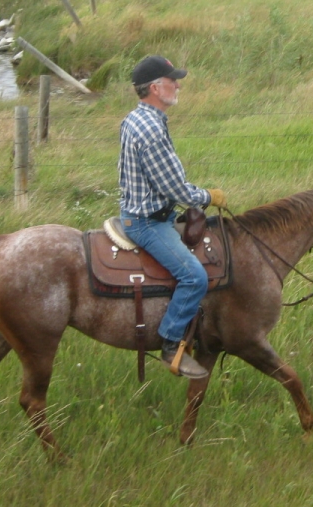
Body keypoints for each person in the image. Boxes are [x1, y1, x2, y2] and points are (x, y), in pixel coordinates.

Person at [118, 55, 227, 379]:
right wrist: (208, 196)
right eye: (172, 80)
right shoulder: (151, 129)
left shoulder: (136, 118)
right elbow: (173, 187)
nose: (178, 85)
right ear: (155, 87)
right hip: (148, 223)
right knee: (195, 275)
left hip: (147, 212)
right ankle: (170, 343)